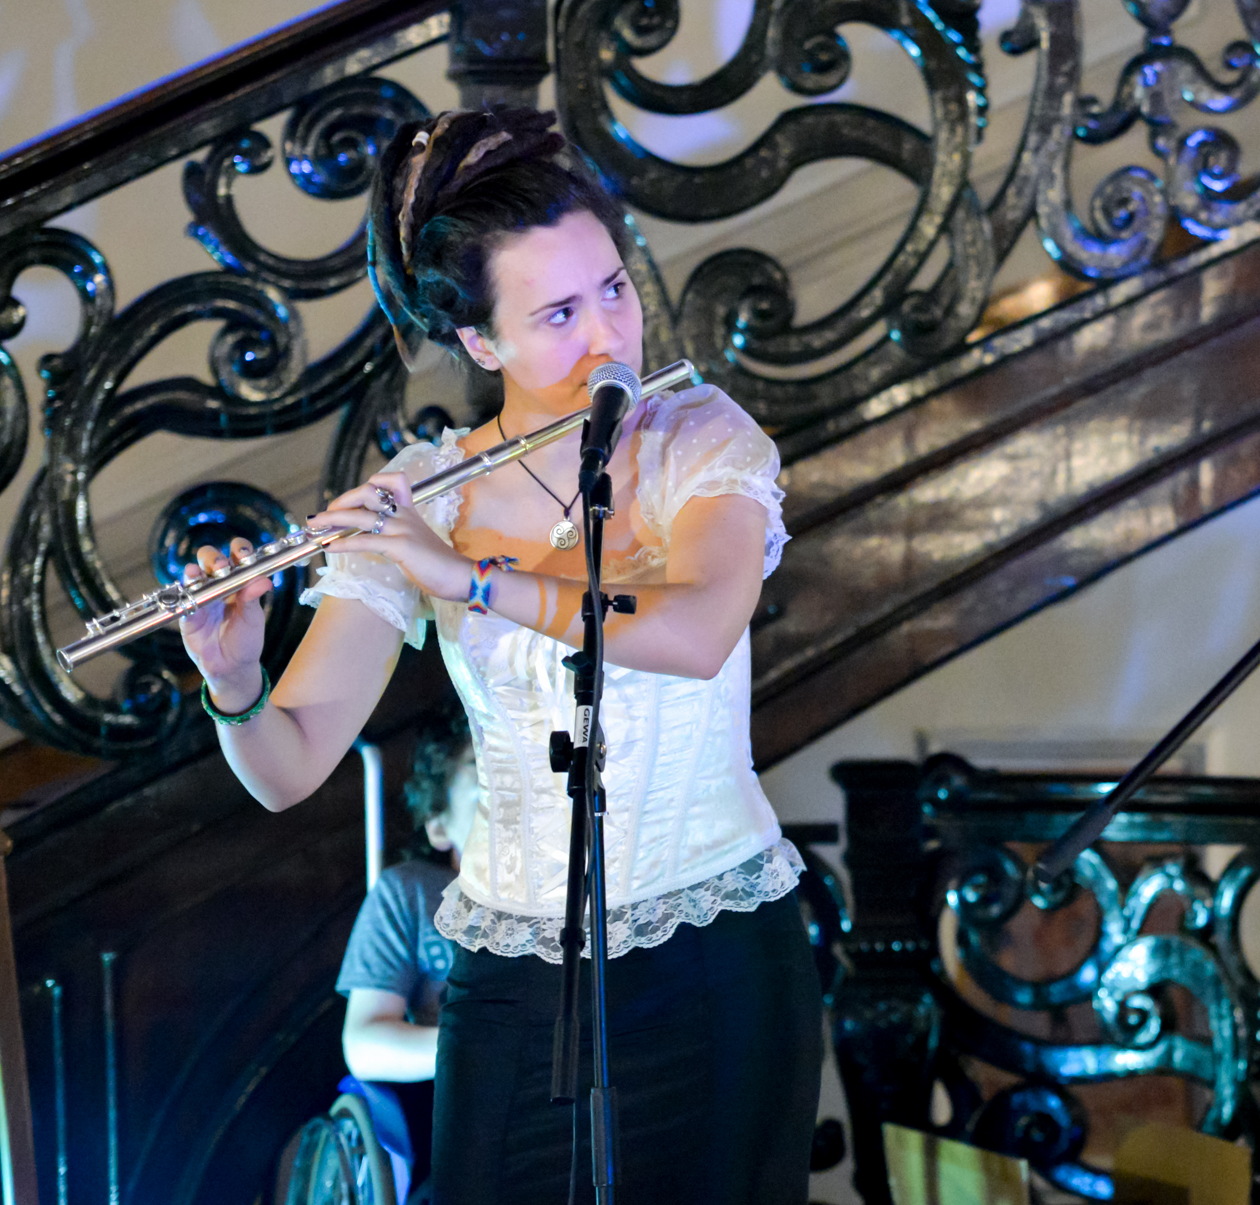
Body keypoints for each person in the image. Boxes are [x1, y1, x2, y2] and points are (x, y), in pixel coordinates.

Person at [179, 108, 821, 1204]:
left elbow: (696, 630)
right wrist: (234, 680)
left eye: (613, 288)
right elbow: (288, 766)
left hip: (715, 952)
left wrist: (471, 578)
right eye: (560, 313)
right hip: (512, 975)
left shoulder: (699, 438)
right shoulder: (423, 497)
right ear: (482, 343)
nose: (608, 335)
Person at [334, 711, 478, 1201]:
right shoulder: (412, 893)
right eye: (487, 774)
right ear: (439, 826)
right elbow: (365, 1042)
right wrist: (473, 1048)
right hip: (461, 1108)